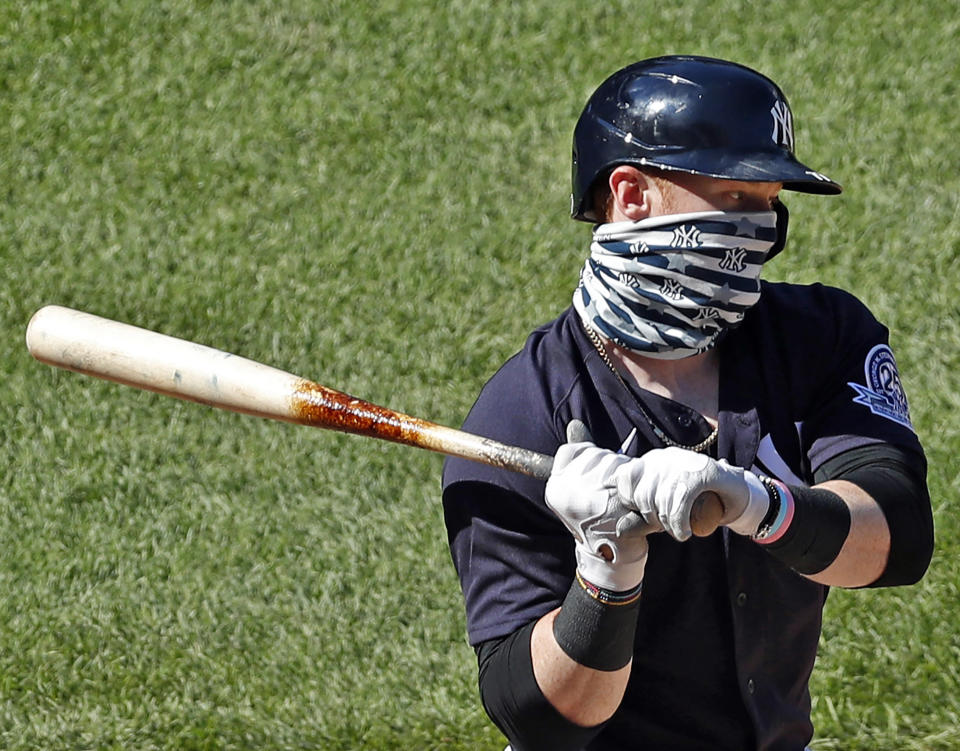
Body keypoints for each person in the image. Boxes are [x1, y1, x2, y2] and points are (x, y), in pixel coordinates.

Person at [440, 55, 934, 751]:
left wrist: (758, 504)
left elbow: (899, 536)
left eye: (770, 204)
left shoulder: (822, 336)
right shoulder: (522, 414)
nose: (761, 230)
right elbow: (537, 718)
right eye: (736, 199)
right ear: (632, 195)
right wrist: (607, 565)